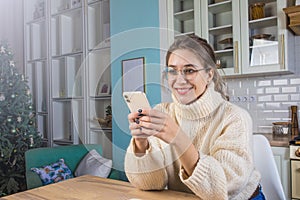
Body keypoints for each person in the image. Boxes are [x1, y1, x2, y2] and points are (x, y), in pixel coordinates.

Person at [124, 34, 265, 200]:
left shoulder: (235, 117)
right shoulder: (163, 112)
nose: (179, 80)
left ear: (209, 74)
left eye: (189, 70)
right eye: (172, 71)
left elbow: (224, 188)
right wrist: (141, 144)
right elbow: (150, 184)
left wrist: (178, 138)